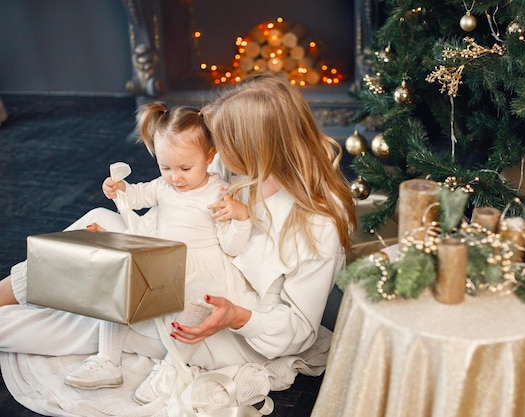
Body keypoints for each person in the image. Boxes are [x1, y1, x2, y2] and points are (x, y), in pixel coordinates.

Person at [0, 73, 356, 416]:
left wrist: (236, 316)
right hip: (186, 271)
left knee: (88, 322)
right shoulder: (239, 170)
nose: (214, 152)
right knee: (102, 224)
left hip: (225, 322)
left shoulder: (317, 222)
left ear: (254, 147)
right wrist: (118, 244)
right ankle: (12, 290)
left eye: (222, 143)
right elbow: (178, 202)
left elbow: (299, 331)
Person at [62, 102, 250, 394]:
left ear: (210, 156)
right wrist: (119, 190)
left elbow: (233, 245)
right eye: (166, 167)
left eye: (186, 168)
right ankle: (107, 360)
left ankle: (173, 367)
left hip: (200, 266)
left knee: (196, 303)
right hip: (163, 260)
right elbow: (138, 194)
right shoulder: (164, 187)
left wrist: (240, 217)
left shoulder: (218, 192)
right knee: (121, 288)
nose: (175, 177)